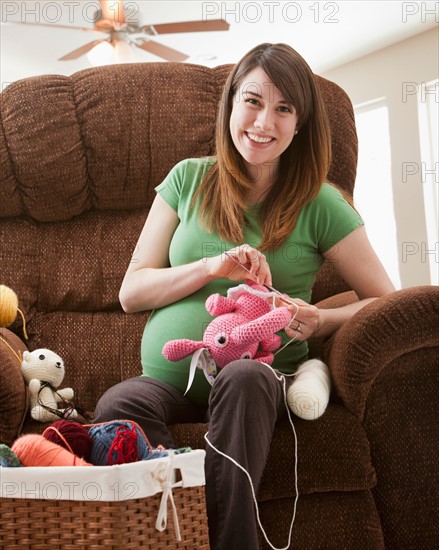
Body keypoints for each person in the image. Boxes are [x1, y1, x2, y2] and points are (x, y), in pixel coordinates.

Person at [94, 43, 395, 549]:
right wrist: (211, 266)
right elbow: (132, 292)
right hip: (170, 383)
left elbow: (387, 303)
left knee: (245, 375)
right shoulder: (187, 179)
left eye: (284, 108)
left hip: (257, 377)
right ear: (230, 104)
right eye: (253, 101)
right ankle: (187, 526)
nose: (263, 121)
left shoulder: (321, 203)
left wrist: (319, 320)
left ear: (299, 125)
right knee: (116, 407)